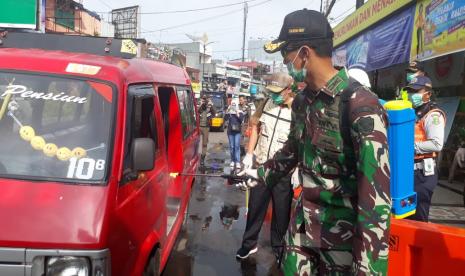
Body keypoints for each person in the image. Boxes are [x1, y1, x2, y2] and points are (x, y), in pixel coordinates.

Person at [241, 9, 391, 275]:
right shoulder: (303, 102)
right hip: (301, 234)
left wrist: (369, 268)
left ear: (305, 54)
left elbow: (375, 199)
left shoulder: (359, 105)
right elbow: (292, 152)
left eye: (287, 56)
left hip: (340, 245)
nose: (286, 64)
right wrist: (258, 173)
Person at [236, 72, 295, 260]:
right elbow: (256, 128)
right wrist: (249, 154)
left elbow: (300, 141)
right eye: (271, 91)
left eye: (278, 92)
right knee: (255, 207)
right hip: (261, 166)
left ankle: (278, 248)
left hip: (282, 172)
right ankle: (248, 244)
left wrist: (298, 169)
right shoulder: (266, 104)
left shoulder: (297, 110)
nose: (274, 95)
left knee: (281, 213)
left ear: (288, 90)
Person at [405, 76, 446, 222]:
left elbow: (436, 144)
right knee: (406, 214)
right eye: (410, 91)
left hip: (423, 174)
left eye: (416, 91)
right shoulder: (412, 112)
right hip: (409, 172)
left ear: (427, 93)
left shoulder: (433, 115)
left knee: (419, 216)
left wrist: (409, 147)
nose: (411, 94)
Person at [225, 102, 244, 169]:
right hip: (230, 132)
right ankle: (232, 160)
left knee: (237, 146)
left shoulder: (240, 112)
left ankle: (238, 162)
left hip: (237, 132)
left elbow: (241, 120)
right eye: (232, 105)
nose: (233, 106)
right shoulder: (230, 112)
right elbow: (225, 119)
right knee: (232, 147)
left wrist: (237, 113)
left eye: (234, 105)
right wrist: (227, 111)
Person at [198, 95, 216, 166]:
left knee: (204, 144)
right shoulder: (201, 105)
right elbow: (198, 111)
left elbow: (214, 113)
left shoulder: (210, 106)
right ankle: (194, 156)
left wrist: (212, 105)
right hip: (199, 126)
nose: (205, 101)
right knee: (195, 141)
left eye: (206, 99)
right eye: (204, 99)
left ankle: (202, 158)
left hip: (206, 127)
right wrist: (201, 104)